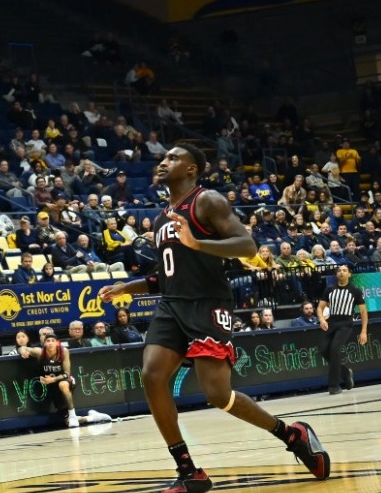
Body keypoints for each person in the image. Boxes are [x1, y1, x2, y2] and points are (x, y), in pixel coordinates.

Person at [99, 144, 330, 492]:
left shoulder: (207, 201)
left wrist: (198, 244)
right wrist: (125, 288)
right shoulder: (163, 217)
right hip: (172, 304)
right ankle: (189, 470)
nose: (163, 162)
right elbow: (164, 277)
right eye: (162, 158)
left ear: (192, 169)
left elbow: (247, 246)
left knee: (218, 395)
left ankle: (290, 433)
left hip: (208, 304)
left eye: (173, 158)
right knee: (151, 375)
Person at [17, 335, 112, 427]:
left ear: (57, 343)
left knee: (63, 385)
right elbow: (22, 348)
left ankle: (72, 414)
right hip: (53, 386)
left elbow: (67, 373)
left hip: (65, 380)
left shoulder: (64, 351)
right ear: (44, 343)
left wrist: (53, 379)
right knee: (68, 422)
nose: (50, 343)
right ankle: (92, 418)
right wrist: (22, 351)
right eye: (48, 341)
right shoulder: (40, 352)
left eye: (53, 341)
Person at [317, 265, 368, 394]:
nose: (341, 272)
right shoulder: (329, 289)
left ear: (349, 274)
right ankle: (345, 372)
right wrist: (322, 319)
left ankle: (334, 386)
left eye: (344, 270)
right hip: (331, 321)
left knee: (334, 349)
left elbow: (363, 312)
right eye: (339, 271)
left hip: (346, 323)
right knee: (323, 350)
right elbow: (319, 308)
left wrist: (363, 331)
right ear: (336, 274)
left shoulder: (355, 291)